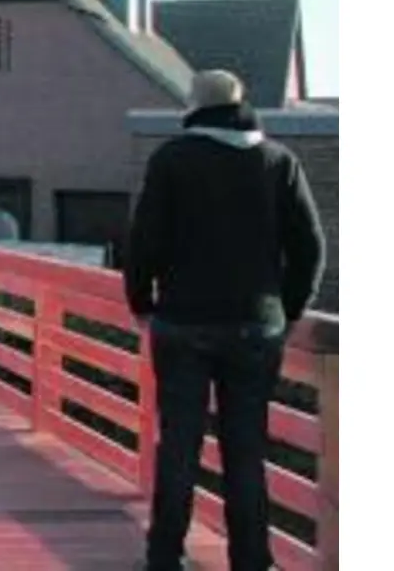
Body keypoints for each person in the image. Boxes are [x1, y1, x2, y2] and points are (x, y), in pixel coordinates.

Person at [125, 69, 325, 571]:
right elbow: (310, 248)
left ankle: (165, 558)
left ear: (192, 106)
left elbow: (143, 241)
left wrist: (142, 304)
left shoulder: (172, 160)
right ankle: (252, 562)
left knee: (179, 449)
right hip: (256, 327)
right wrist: (287, 309)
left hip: (182, 322)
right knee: (245, 452)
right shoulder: (279, 161)